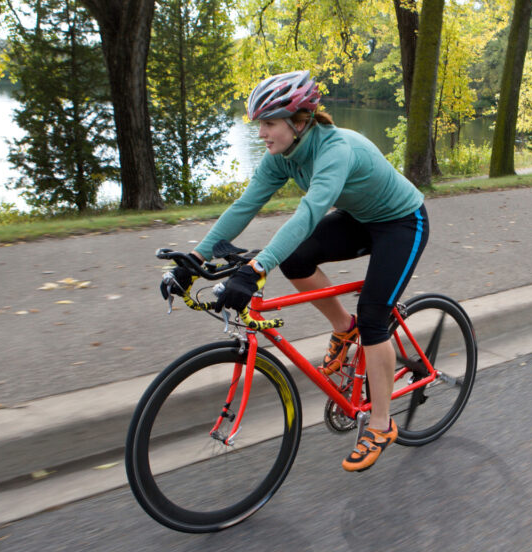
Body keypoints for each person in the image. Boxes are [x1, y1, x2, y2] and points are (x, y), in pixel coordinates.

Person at [160, 70, 428, 473]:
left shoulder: (334, 150)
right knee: (297, 259)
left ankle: (381, 422)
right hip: (359, 218)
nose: (262, 133)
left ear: (298, 121)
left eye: (269, 123)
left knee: (375, 318)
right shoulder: (281, 157)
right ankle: (343, 326)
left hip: (402, 222)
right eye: (259, 125)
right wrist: (195, 262)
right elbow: (243, 207)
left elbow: (307, 215)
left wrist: (256, 267)